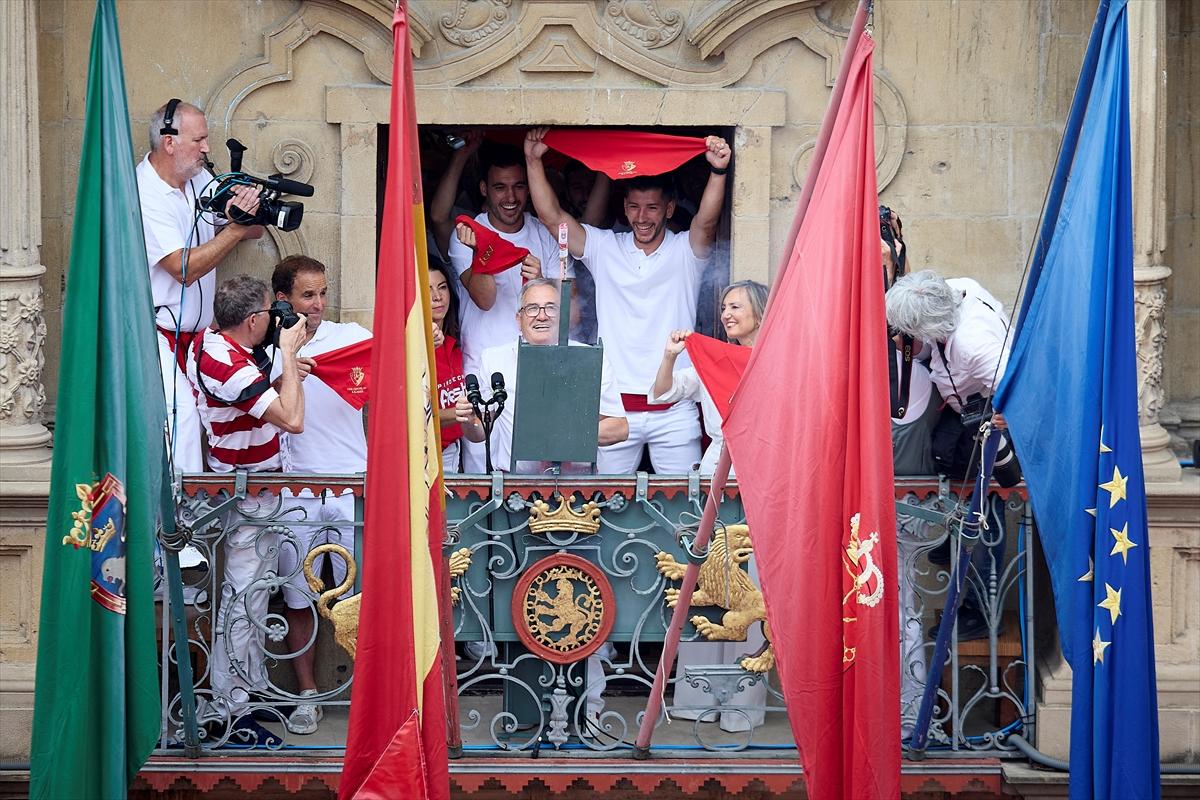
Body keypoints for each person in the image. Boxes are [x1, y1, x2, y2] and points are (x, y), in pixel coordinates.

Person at [453, 279, 627, 728]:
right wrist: (470, 422)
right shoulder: (494, 360)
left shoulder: (590, 356)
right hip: (516, 499)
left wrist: (562, 428)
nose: (542, 315)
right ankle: (525, 716)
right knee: (520, 604)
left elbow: (618, 429)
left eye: (551, 307)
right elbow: (479, 433)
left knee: (585, 604)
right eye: (532, 308)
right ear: (518, 317)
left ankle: (587, 713)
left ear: (566, 313)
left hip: (579, 503)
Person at [524, 126, 732, 474]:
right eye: (634, 207)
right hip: (614, 412)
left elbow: (707, 223)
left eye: (651, 208)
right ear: (624, 207)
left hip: (674, 410)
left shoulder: (684, 251)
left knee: (684, 507)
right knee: (608, 508)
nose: (641, 217)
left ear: (668, 209)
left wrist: (718, 171)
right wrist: (532, 162)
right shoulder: (606, 248)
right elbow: (553, 219)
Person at [185, 275, 306, 746]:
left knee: (252, 598)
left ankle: (245, 692)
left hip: (250, 488)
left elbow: (249, 401)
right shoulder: (227, 363)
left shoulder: (214, 344)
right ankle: (231, 711)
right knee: (243, 601)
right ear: (253, 320)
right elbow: (292, 420)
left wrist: (282, 376)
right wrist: (291, 359)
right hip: (246, 493)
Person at [647, 280, 769, 733]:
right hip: (717, 471)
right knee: (705, 578)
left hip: (763, 472)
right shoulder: (712, 358)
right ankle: (696, 701)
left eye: (735, 306)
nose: (726, 314)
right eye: (723, 307)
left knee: (749, 587)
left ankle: (743, 707)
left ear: (759, 310)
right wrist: (669, 355)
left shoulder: (780, 359)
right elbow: (660, 393)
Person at [269, 256, 370, 735]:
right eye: (308, 295)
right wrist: (287, 369)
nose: (318, 304)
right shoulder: (264, 347)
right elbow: (249, 402)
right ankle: (307, 695)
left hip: (353, 486)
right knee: (297, 600)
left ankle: (371, 695)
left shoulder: (348, 336)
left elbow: (394, 359)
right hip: (296, 492)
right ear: (283, 299)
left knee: (366, 598)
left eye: (323, 293)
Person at [886, 269, 1017, 641]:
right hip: (964, 408)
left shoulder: (975, 345)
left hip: (987, 414)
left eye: (906, 332)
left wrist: (1005, 417)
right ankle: (948, 541)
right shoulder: (954, 292)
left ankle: (977, 611)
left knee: (985, 508)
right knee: (942, 452)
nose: (901, 339)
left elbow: (1017, 389)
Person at [137, 99, 263, 472]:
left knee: (224, 418)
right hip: (157, 334)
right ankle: (178, 525)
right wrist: (237, 227)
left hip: (200, 334)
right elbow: (183, 268)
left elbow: (251, 230)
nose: (207, 148)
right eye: (200, 140)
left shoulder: (198, 178)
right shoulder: (144, 191)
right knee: (183, 423)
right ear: (169, 141)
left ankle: (212, 517)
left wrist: (249, 209)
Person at [448, 144, 563, 471]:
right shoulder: (468, 232)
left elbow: (566, 312)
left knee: (534, 478)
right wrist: (482, 250)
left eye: (518, 186)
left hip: (534, 369)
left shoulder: (542, 233)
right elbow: (485, 299)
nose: (510, 196)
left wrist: (540, 280)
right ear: (485, 189)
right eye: (500, 187)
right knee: (481, 472)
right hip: (482, 370)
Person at [430, 264, 466, 471]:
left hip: (453, 451)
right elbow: (415, 415)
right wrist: (463, 413)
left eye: (442, 287)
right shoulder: (412, 347)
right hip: (423, 454)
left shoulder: (455, 343)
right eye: (428, 290)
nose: (437, 297)